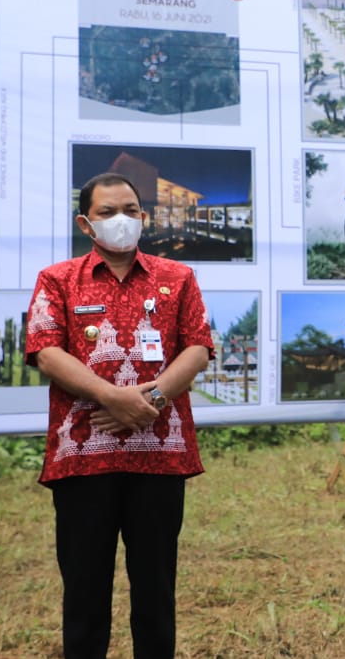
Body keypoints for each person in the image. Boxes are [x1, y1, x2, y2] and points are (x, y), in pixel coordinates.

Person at [25, 172, 213, 659]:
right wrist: (114, 397)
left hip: (160, 457)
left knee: (156, 593)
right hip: (85, 458)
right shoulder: (57, 280)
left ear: (145, 217)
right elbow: (46, 351)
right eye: (108, 212)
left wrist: (147, 402)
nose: (121, 220)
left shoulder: (178, 278)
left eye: (130, 210)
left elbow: (197, 347)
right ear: (86, 224)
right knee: (85, 596)